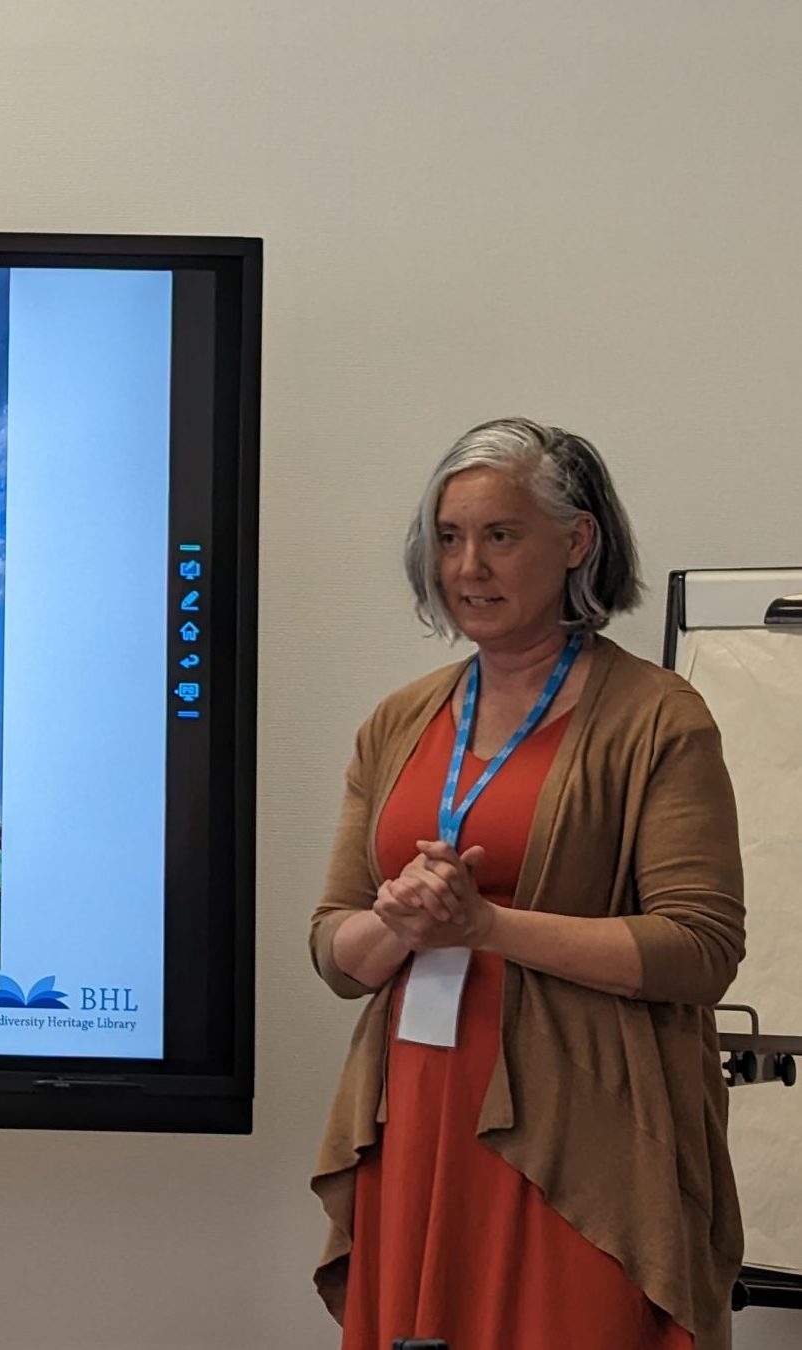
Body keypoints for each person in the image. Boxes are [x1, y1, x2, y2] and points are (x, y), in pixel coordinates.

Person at [308, 418, 745, 1349]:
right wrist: (394, 922)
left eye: (499, 535)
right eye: (448, 538)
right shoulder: (398, 720)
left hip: (583, 1131)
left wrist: (487, 927)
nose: (466, 566)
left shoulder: (658, 718)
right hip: (417, 1114)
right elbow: (335, 950)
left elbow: (699, 950)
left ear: (576, 541)